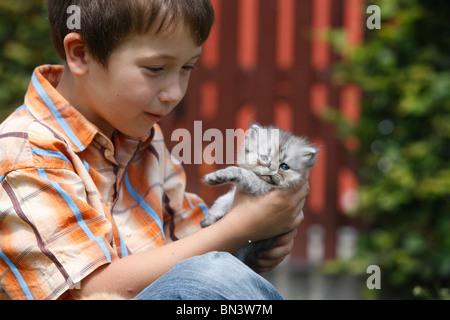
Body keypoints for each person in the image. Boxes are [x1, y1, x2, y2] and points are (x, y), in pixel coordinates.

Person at [0, 0, 309, 300]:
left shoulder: (143, 140)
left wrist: (255, 237)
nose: (174, 92)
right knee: (215, 278)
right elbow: (91, 291)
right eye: (155, 68)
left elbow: (192, 245)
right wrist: (241, 226)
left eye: (187, 67)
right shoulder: (28, 155)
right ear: (81, 54)